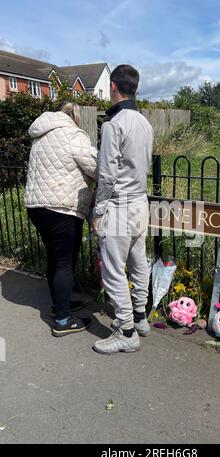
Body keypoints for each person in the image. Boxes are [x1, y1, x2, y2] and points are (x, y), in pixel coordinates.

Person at [92, 64, 154, 354]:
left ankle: (126, 331)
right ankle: (140, 318)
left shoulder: (113, 124)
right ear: (135, 89)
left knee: (114, 270)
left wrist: (98, 211)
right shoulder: (144, 123)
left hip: (119, 205)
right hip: (140, 202)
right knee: (139, 260)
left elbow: (106, 174)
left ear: (113, 86)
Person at [24, 101, 98, 337]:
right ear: (75, 117)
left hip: (37, 207)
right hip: (61, 207)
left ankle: (61, 304)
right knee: (64, 262)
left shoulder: (40, 135)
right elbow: (96, 167)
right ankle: (63, 320)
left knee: (55, 259)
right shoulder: (73, 135)